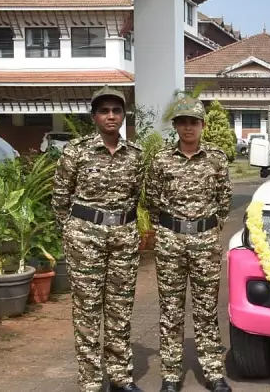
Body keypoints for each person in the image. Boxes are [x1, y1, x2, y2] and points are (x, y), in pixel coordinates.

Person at [51, 86, 145, 392]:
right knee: (87, 310)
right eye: (104, 111)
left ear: (124, 115)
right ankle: (91, 381)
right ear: (93, 116)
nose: (111, 116)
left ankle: (120, 376)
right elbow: (60, 198)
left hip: (123, 240)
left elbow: (136, 195)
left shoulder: (135, 155)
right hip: (84, 240)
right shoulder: (76, 151)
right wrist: (72, 232)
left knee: (120, 308)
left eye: (116, 110)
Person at [145, 96, 233, 392]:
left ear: (202, 125)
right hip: (170, 240)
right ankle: (171, 375)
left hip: (205, 242)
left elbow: (224, 199)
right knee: (171, 309)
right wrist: (169, 229)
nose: (188, 127)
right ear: (175, 126)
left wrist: (209, 228)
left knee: (206, 308)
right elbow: (152, 200)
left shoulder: (216, 158)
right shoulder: (161, 159)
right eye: (182, 122)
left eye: (193, 122)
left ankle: (213, 372)